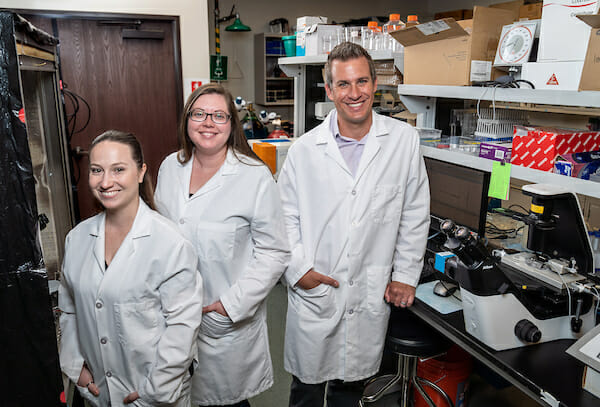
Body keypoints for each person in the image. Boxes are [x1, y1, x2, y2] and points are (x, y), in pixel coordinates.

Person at [277, 42, 431, 406]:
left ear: (375, 84)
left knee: (352, 386)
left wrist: (405, 275)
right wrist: (299, 271)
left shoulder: (403, 141)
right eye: (343, 84)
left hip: (369, 287)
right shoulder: (304, 149)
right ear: (329, 90)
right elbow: (283, 218)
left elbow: (414, 213)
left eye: (362, 81)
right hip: (316, 286)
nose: (354, 93)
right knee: (308, 389)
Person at [154, 83, 290, 407]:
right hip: (170, 317)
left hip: (222, 321)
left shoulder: (254, 176)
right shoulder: (170, 167)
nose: (208, 122)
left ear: (232, 125)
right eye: (199, 114)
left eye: (219, 115)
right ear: (187, 121)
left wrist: (231, 305)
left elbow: (275, 251)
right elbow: (157, 234)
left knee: (224, 401)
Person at [59, 130, 203, 407]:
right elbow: (69, 309)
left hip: (151, 393)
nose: (105, 181)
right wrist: (76, 367)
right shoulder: (77, 239)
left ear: (140, 172)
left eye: (119, 169)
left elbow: (182, 327)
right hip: (99, 390)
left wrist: (154, 389)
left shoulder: (169, 243)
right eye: (97, 170)